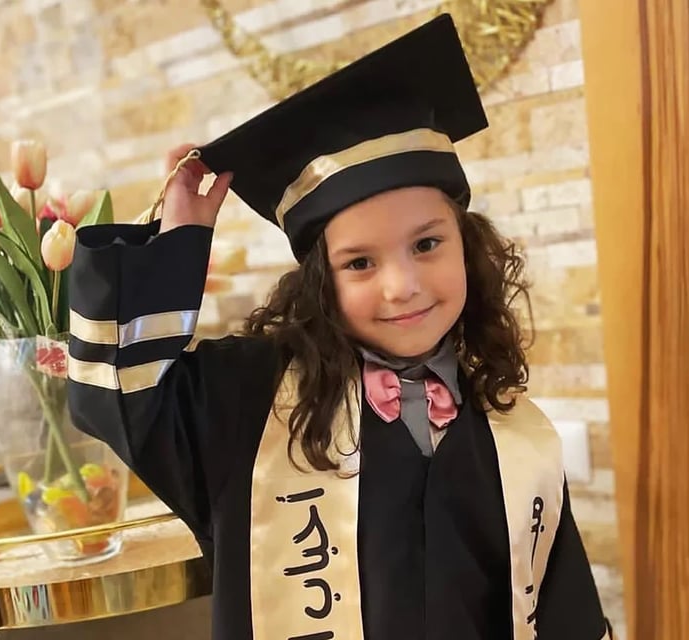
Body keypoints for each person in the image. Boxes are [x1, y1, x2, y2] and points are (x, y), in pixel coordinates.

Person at [66, 13, 612, 640]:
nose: (401, 284)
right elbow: (112, 391)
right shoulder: (246, 407)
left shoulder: (513, 429)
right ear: (321, 283)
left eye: (428, 244)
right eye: (359, 262)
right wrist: (180, 241)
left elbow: (563, 611)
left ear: (468, 247)